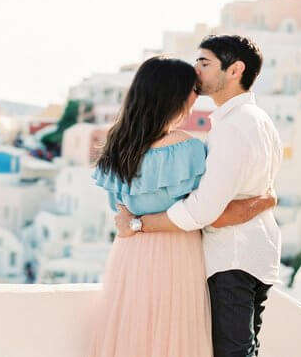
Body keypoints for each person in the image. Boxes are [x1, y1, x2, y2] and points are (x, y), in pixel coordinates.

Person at [88, 54, 276, 357]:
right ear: (176, 94)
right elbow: (207, 211)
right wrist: (265, 200)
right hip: (176, 253)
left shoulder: (117, 146)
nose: (197, 94)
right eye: (193, 88)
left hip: (130, 254)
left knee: (135, 338)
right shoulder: (186, 148)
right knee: (174, 338)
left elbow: (121, 208)